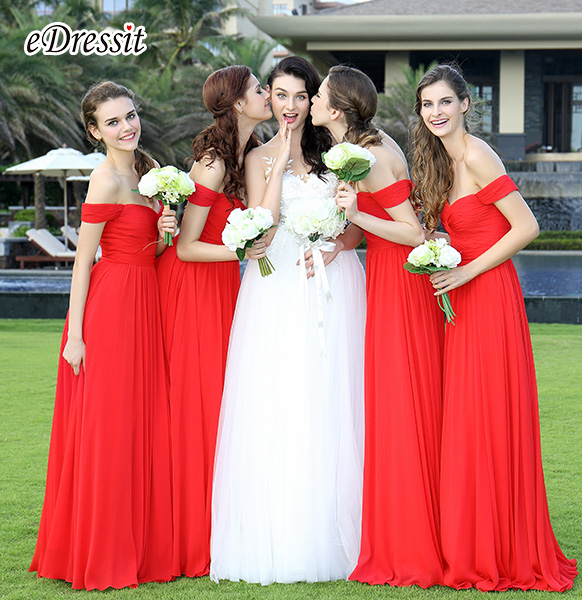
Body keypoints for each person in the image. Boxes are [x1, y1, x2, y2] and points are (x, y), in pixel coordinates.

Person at [412, 64, 578, 592]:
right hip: (464, 298)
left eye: (445, 102)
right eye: (427, 105)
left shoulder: (478, 155)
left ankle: (497, 547)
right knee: (468, 417)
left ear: (465, 104)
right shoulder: (440, 161)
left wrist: (466, 270)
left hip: (489, 296)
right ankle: (474, 539)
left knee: (485, 413)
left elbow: (527, 225)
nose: (436, 112)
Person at [210, 56, 366, 585]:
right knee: (281, 398)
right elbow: (265, 225)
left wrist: (338, 246)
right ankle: (286, 535)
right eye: (280, 95)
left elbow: (356, 225)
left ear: (313, 99)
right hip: (276, 287)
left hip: (333, 282)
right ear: (270, 99)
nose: (291, 105)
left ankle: (340, 531)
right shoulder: (256, 157)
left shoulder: (335, 154)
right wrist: (277, 164)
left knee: (331, 397)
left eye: (301, 96)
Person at [29, 81, 173, 591]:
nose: (126, 126)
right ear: (94, 132)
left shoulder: (151, 173)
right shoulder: (104, 179)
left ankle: (139, 543)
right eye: (112, 122)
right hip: (110, 310)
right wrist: (76, 336)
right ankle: (101, 549)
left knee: (140, 423)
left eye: (129, 115)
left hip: (146, 305)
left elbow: (151, 253)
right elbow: (83, 262)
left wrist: (166, 232)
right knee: (109, 428)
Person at [311, 65, 446, 588]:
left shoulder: (368, 155)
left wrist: (355, 216)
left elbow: (411, 232)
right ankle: (407, 526)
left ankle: (409, 541)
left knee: (400, 404)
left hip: (400, 286)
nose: (312, 101)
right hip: (388, 279)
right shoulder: (362, 147)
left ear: (336, 109)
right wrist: (342, 242)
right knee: (397, 403)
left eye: (319, 95)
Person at [154, 65, 272, 579]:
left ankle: (219, 523)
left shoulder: (250, 154)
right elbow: (185, 246)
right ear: (238, 103)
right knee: (199, 405)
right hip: (193, 288)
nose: (267, 95)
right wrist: (241, 251)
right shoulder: (212, 162)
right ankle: (190, 533)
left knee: (224, 403)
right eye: (259, 89)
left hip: (224, 286)